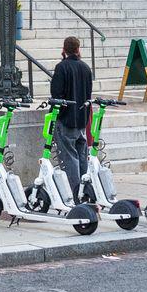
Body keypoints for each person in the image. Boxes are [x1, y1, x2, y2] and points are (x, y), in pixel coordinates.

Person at [49, 35, 95, 202]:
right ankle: (86, 191)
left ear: (64, 49)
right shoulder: (85, 68)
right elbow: (88, 94)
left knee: (70, 158)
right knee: (82, 157)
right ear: (78, 49)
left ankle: (76, 195)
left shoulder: (62, 68)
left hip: (67, 120)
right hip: (82, 120)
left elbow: (56, 94)